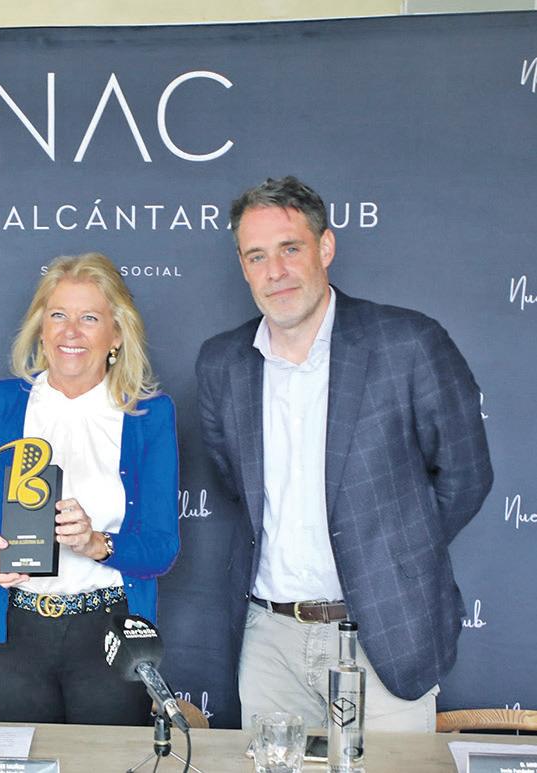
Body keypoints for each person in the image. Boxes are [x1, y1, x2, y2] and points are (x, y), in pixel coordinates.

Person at [196, 176, 492, 732]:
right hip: (269, 641)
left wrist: (396, 554)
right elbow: (236, 481)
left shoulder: (408, 343)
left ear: (325, 247)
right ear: (243, 266)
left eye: (290, 248)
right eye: (257, 256)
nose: (275, 271)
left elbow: (466, 475)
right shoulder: (222, 362)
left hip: (385, 630)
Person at [0, 252, 180, 725]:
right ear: (40, 327)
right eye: (58, 315)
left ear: (117, 334)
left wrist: (97, 544)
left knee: (105, 759)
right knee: (18, 757)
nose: (70, 332)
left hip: (111, 632)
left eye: (89, 318)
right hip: (12, 631)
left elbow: (161, 550)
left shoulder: (149, 415)